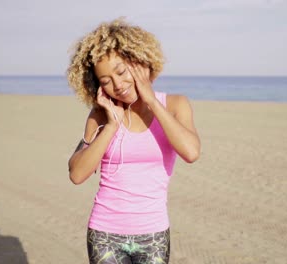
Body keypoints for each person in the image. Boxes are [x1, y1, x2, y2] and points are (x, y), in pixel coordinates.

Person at [66, 18, 201, 264]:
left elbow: (191, 152)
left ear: (139, 61)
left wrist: (151, 101)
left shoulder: (175, 105)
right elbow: (77, 174)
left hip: (153, 234)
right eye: (106, 81)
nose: (117, 85)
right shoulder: (99, 115)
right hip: (104, 234)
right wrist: (111, 126)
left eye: (121, 72)